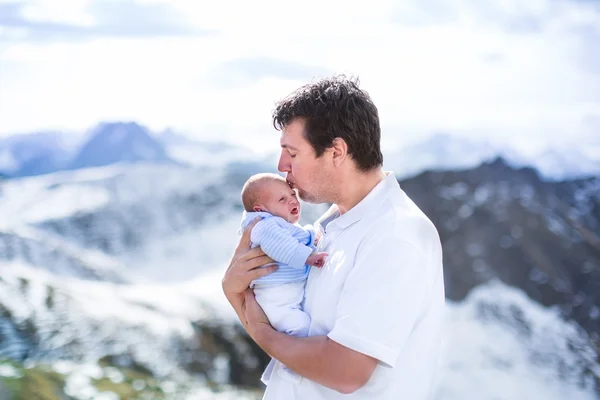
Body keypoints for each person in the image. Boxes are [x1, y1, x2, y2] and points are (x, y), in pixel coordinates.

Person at [222, 75, 445, 399]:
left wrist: (258, 330)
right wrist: (235, 292)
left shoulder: (396, 236)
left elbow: (345, 370)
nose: (281, 165)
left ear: (336, 151)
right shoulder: (329, 227)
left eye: (292, 153)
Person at [239, 172, 328, 381]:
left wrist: (310, 237)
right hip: (275, 297)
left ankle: (293, 365)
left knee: (300, 327)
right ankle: (293, 367)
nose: (292, 200)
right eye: (282, 199)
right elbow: (280, 246)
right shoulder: (263, 225)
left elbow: (295, 237)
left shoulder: (279, 224)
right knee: (300, 328)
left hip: (285, 293)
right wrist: (308, 257)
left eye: (292, 194)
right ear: (261, 209)